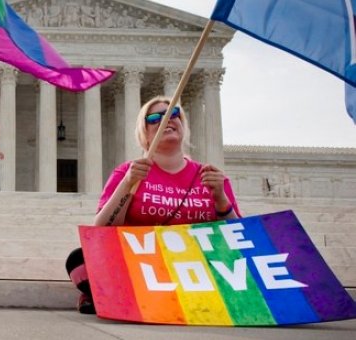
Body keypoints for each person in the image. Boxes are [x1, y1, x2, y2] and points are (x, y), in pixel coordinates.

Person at [65, 96, 241, 314]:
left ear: (183, 125)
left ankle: (115, 295)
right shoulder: (127, 173)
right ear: (144, 133)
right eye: (155, 117)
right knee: (80, 260)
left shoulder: (210, 176)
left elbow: (240, 239)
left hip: (193, 265)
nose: (167, 119)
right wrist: (128, 184)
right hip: (143, 264)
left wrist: (221, 199)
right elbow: (101, 230)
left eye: (174, 114)